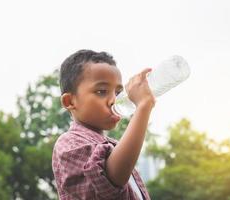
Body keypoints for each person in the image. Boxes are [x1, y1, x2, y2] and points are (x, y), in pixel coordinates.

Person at [52, 49, 155, 200]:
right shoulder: (69, 143)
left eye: (118, 93)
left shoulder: (114, 146)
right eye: (101, 91)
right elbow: (111, 180)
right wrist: (143, 107)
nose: (114, 100)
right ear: (70, 101)